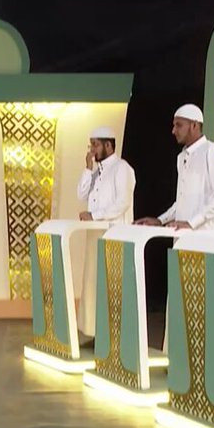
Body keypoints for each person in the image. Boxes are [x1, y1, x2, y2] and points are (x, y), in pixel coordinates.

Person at [75, 126, 136, 340]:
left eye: (95, 145)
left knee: (112, 285)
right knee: (93, 283)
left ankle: (113, 337)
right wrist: (87, 168)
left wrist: (95, 215)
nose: (92, 149)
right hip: (95, 234)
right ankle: (95, 333)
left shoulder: (122, 168)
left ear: (108, 145)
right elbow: (81, 194)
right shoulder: (97, 172)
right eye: (91, 145)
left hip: (114, 233)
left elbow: (122, 202)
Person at [134, 104, 214, 230]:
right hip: (182, 234)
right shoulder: (181, 157)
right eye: (174, 125)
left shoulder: (212, 151)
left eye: (178, 125)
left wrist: (191, 223)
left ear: (194, 125)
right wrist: (160, 220)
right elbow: (182, 202)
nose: (173, 131)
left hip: (206, 236)